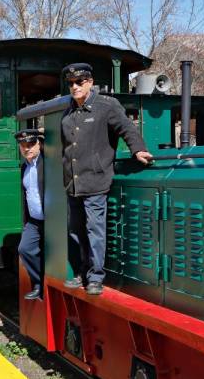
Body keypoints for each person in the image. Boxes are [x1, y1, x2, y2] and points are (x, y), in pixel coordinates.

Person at [60, 63, 153, 295]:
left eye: (79, 82)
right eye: (71, 83)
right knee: (76, 231)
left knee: (95, 231)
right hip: (73, 183)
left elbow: (126, 128)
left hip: (95, 181)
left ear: (90, 82)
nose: (74, 87)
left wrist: (137, 150)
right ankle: (82, 271)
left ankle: (95, 277)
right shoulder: (69, 111)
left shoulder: (105, 106)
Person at [16, 128, 45, 300]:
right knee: (25, 249)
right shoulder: (24, 168)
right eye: (23, 145)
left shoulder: (47, 163)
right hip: (34, 221)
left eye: (31, 144)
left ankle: (44, 285)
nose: (27, 148)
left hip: (51, 219)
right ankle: (39, 283)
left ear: (39, 144)